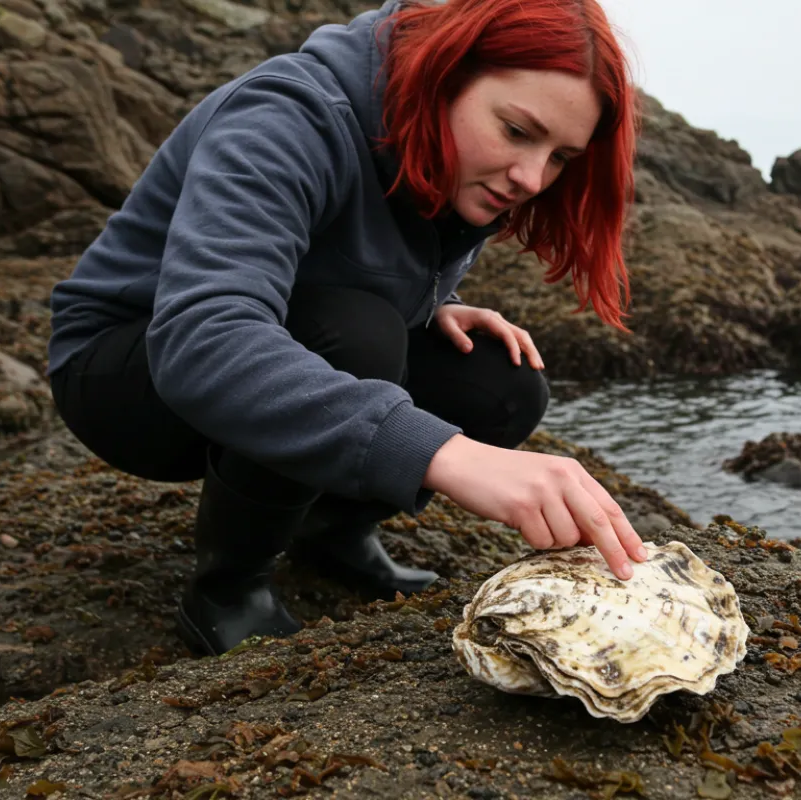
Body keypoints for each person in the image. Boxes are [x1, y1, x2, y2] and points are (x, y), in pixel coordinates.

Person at [46, 0, 647, 658]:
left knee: (501, 380)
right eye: (515, 131)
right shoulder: (287, 114)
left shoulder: (459, 158)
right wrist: (446, 456)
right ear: (443, 75)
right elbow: (205, 337)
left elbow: (329, 258)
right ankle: (229, 587)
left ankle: (328, 530)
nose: (531, 178)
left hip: (279, 335)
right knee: (357, 337)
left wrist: (430, 306)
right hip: (127, 372)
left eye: (560, 157)